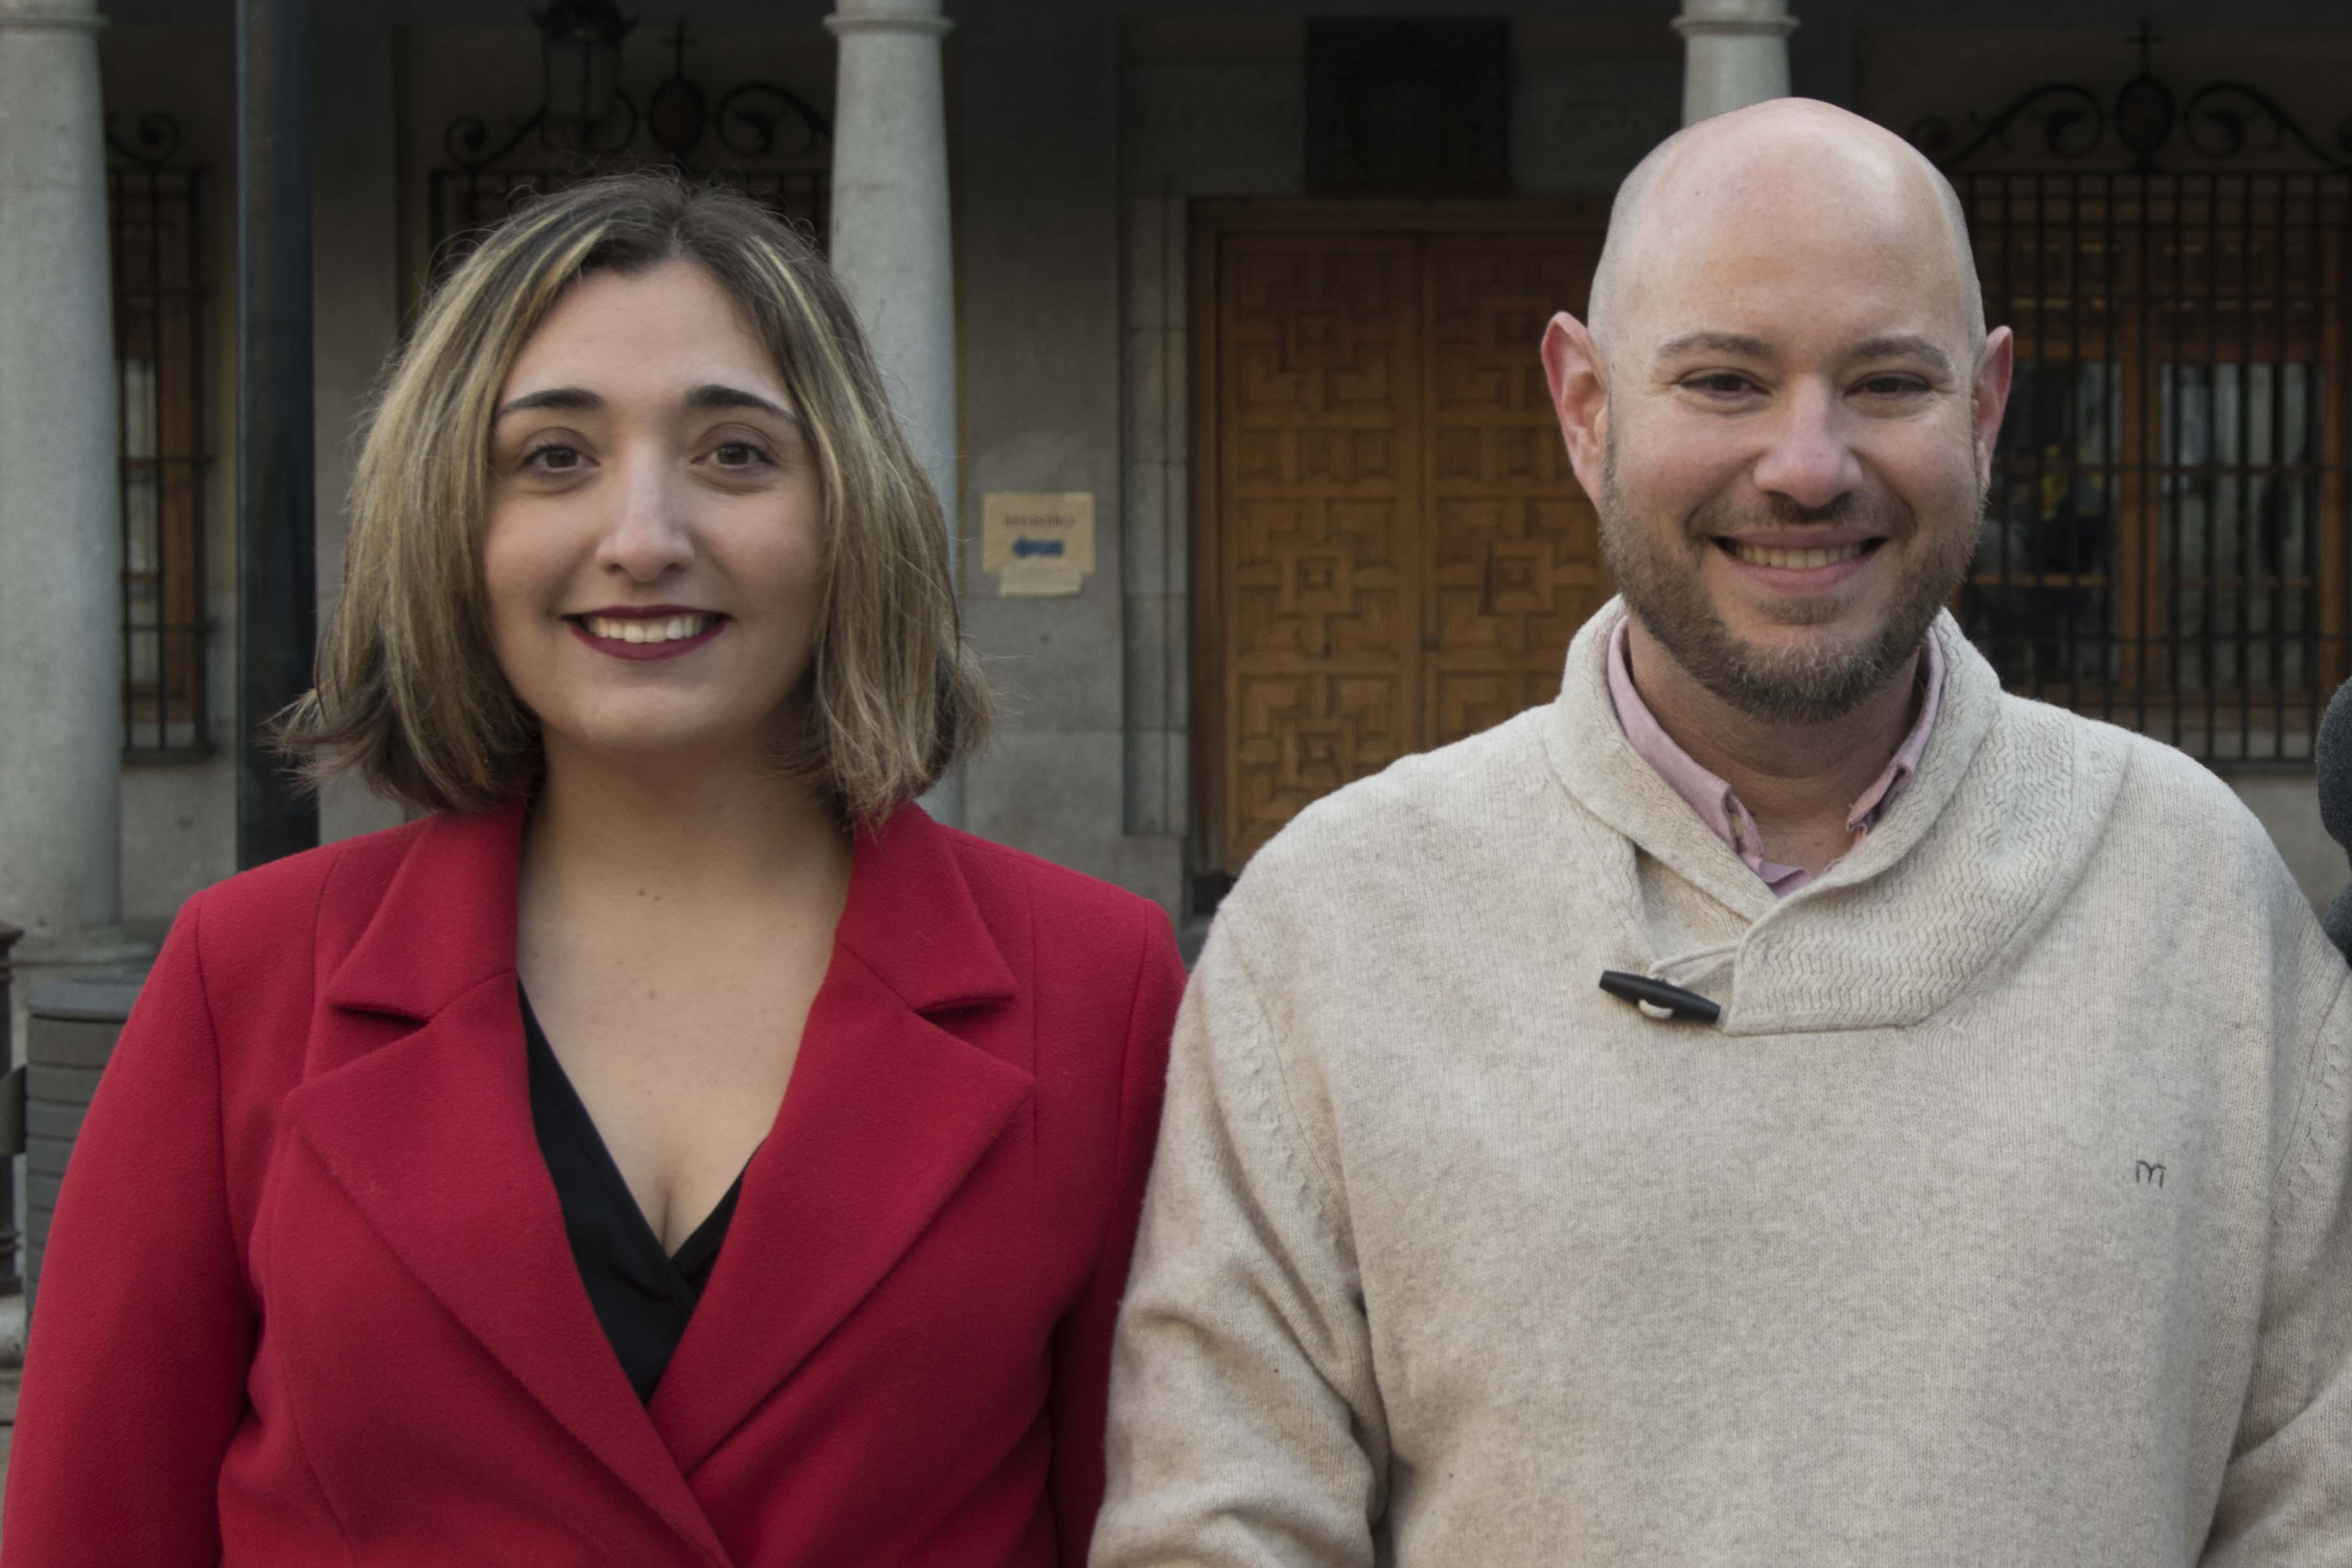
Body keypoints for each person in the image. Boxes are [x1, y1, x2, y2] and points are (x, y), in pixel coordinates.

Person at [1094, 99, 2350, 1567]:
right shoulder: (1336, 924)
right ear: (1584, 405)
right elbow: (1223, 1524)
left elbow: (2314, 1488)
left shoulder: (2191, 888)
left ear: (1988, 410)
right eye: (1725, 382)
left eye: (1887, 382)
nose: (1808, 464)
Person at [5, 172, 1183, 1566]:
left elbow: (1148, 1525)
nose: (643, 539)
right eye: (553, 457)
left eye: (737, 454)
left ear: (849, 513)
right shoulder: (246, 974)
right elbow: (95, 1525)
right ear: (456, 525)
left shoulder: (1098, 986)